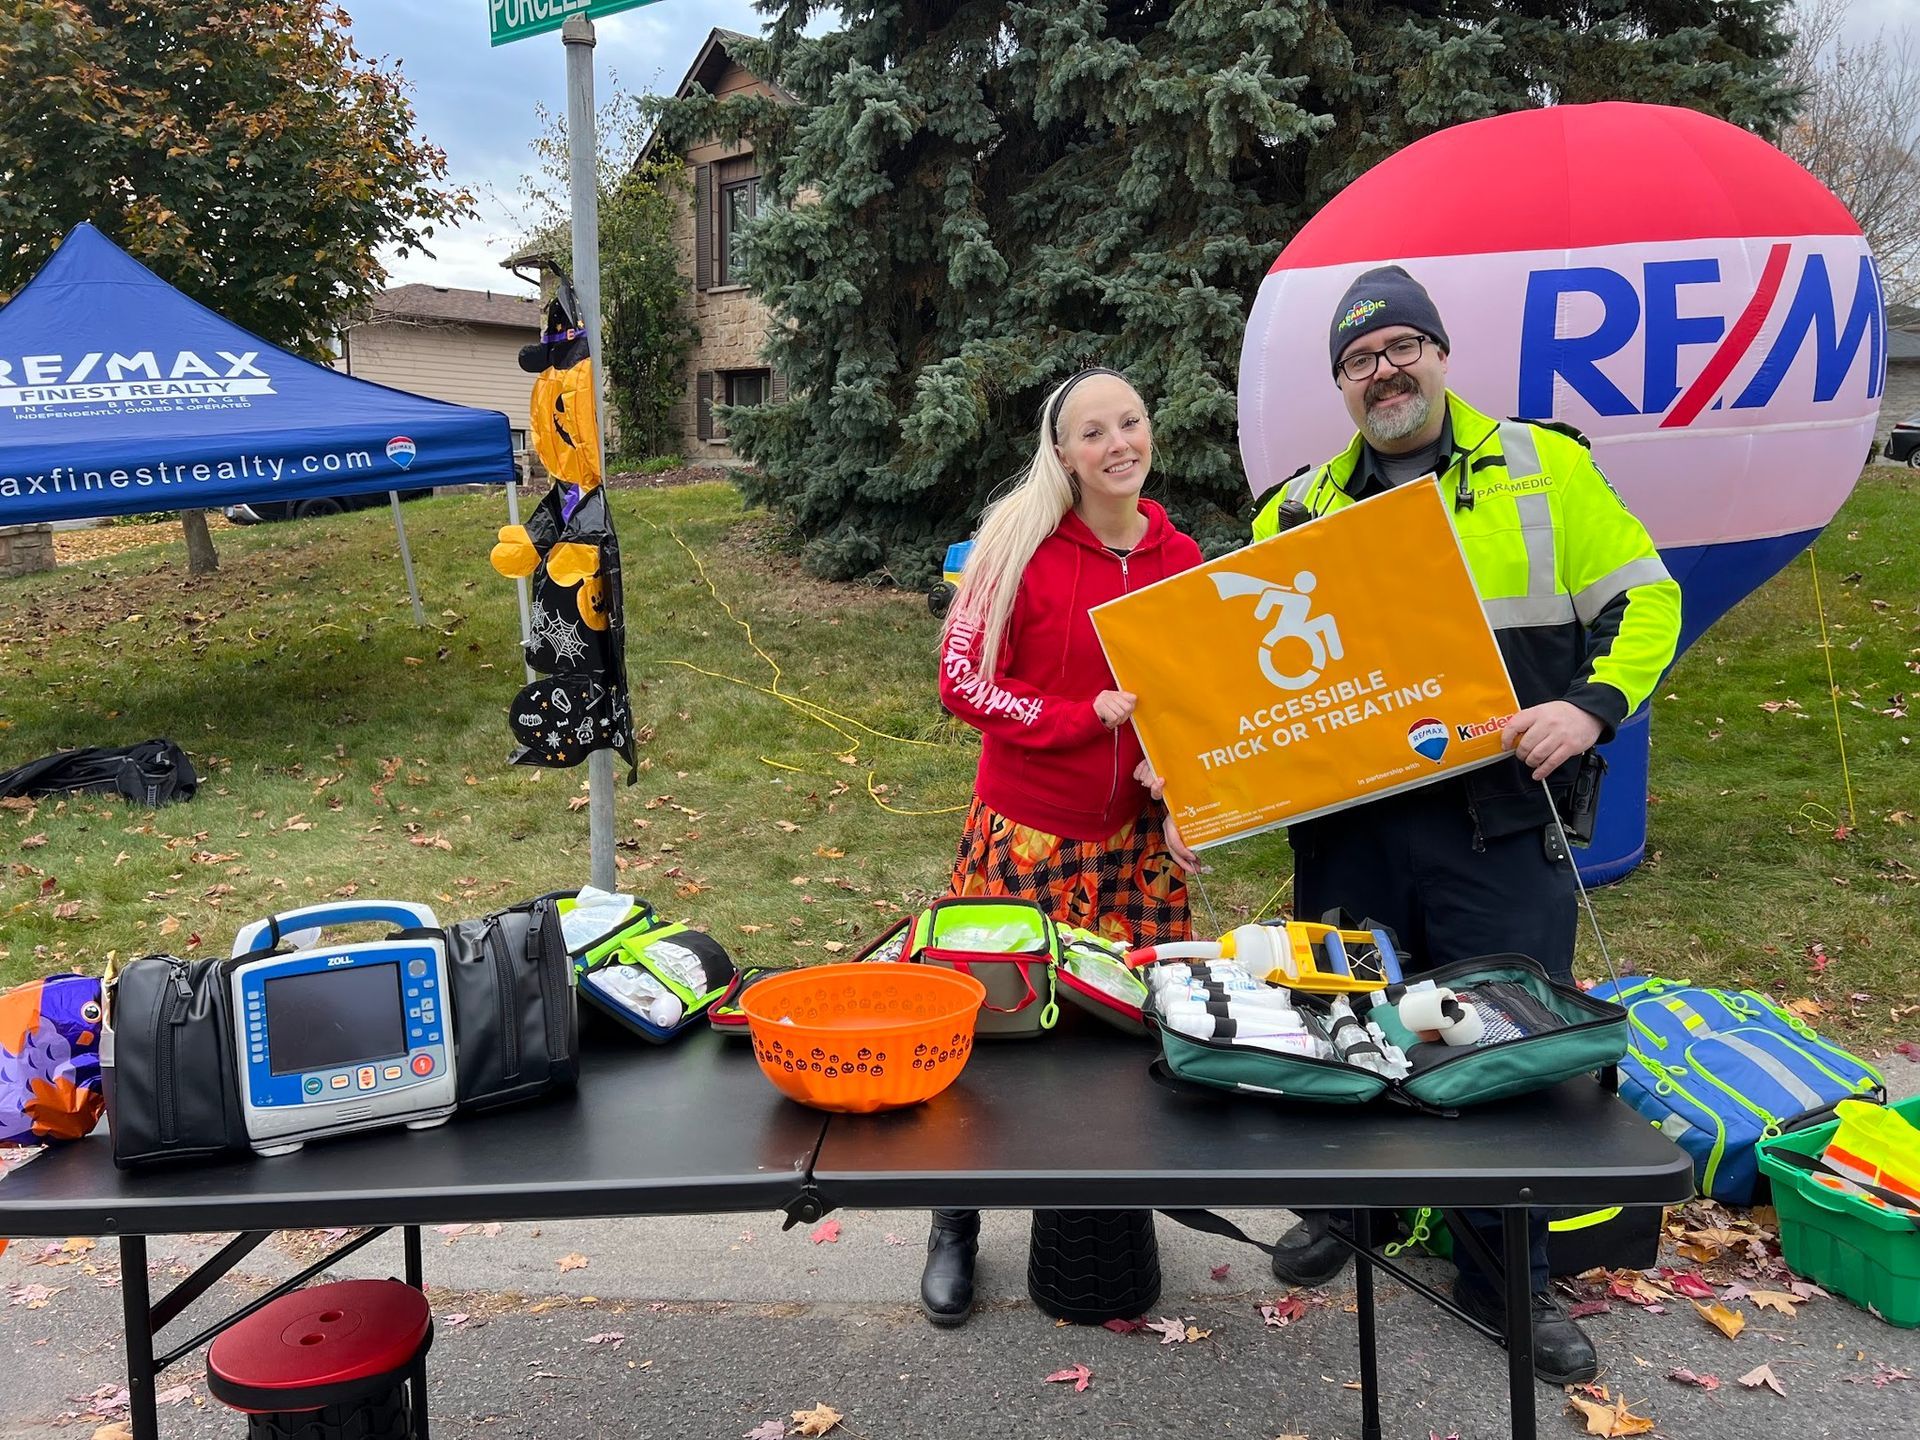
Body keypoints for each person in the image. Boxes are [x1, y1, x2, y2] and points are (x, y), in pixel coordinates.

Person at [1210, 265, 1678, 1383]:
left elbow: (1647, 597)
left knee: (1502, 1055)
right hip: (1349, 837)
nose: (1386, 372)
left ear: (1440, 354)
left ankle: (1501, 1274)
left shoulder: (1542, 467)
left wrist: (1589, 706)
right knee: (1345, 1031)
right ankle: (1352, 1212)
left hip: (1497, 826)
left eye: (1402, 347)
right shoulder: (1296, 507)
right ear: (1340, 383)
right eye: (1360, 360)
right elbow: (1240, 683)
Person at [923, 367, 1204, 1326]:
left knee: (1128, 1036)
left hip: (1136, 847)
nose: (1119, 442)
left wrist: (1183, 795)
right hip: (1026, 838)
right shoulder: (1018, 549)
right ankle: (953, 1220)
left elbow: (1196, 702)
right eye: (1094, 432)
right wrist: (1081, 716)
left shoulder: (1182, 555)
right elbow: (964, 683)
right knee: (990, 1035)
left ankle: (1106, 1220)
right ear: (1062, 452)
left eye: (1131, 421)